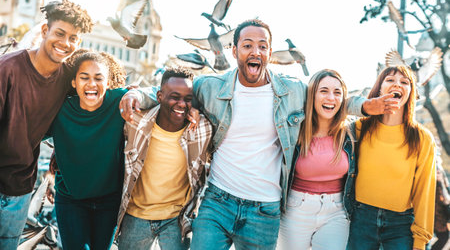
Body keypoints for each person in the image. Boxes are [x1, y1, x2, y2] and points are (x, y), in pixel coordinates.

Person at [119, 19, 397, 250]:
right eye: (248, 45)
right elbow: (168, 94)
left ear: (270, 52)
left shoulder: (292, 91)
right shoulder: (211, 87)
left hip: (265, 210)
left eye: (262, 46)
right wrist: (136, 95)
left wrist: (363, 106)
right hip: (218, 201)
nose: (255, 52)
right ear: (234, 50)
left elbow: (329, 98)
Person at [0, 0, 93, 249]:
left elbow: (96, 97)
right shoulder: (7, 69)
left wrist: (134, 94)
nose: (65, 43)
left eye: (73, 38)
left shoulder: (68, 81)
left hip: (20, 190)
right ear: (44, 31)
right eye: (59, 33)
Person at [115, 67, 213, 250]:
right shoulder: (135, 122)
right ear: (159, 96)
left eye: (187, 99)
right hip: (136, 215)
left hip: (176, 219)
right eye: (175, 97)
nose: (182, 104)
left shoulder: (202, 129)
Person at [347, 66, 436, 250]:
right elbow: (334, 109)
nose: (397, 84)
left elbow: (424, 192)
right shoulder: (358, 128)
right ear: (379, 88)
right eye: (390, 80)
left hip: (401, 225)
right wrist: (365, 106)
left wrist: (420, 241)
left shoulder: (422, 138)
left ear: (410, 93)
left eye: (404, 82)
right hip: (360, 220)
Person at [46, 50, 127, 249]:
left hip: (109, 200)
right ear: (74, 82)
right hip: (71, 199)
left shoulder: (120, 102)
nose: (91, 84)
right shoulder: (59, 108)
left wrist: (136, 93)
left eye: (99, 78)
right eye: (84, 78)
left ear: (108, 83)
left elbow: (153, 96)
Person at [278, 69, 356, 249]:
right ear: (312, 95)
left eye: (337, 92)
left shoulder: (350, 134)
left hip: (336, 211)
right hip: (296, 209)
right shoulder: (294, 130)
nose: (331, 98)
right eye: (324, 91)